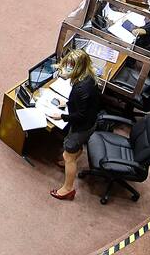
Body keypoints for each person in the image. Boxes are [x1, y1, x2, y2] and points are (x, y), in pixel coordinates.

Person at [47, 49, 100, 200]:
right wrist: (69, 103)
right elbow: (85, 106)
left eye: (70, 66)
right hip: (90, 122)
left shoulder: (81, 88)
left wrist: (61, 116)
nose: (67, 68)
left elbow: (81, 115)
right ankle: (72, 157)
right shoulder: (89, 76)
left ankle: (68, 189)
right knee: (72, 151)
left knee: (67, 154)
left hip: (82, 127)